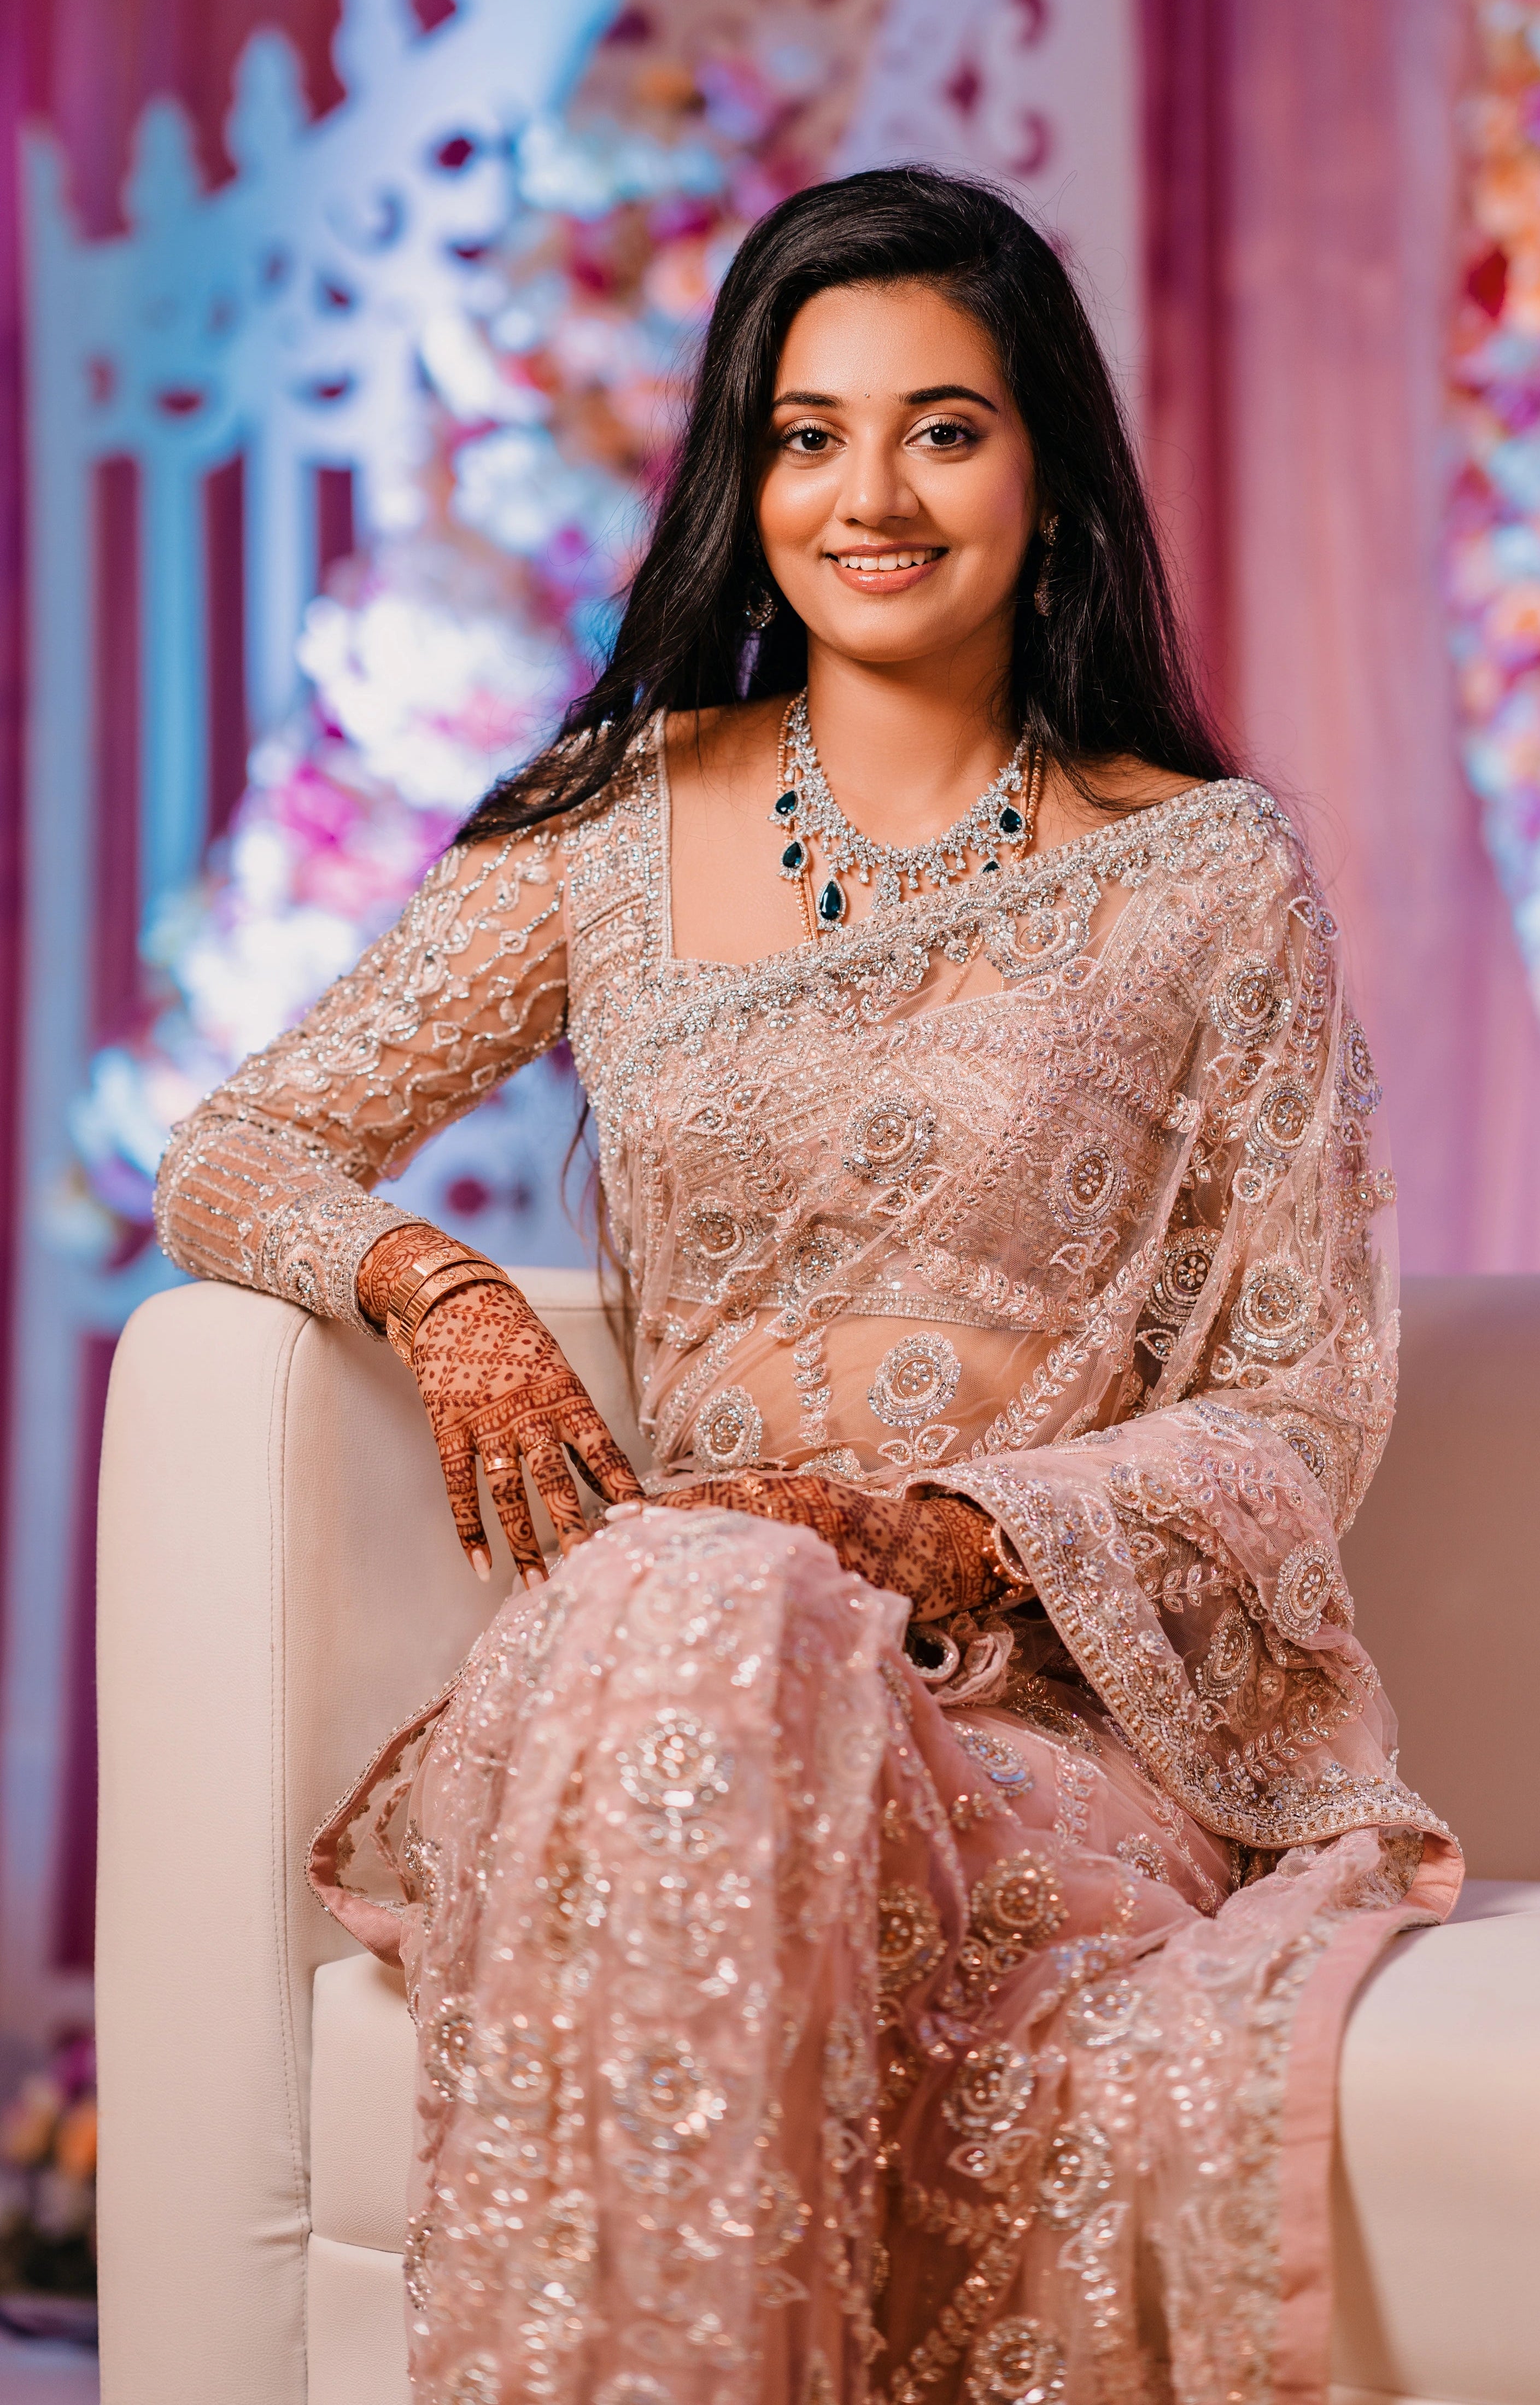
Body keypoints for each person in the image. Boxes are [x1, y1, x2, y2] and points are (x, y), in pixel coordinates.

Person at [156, 165, 1459, 2405]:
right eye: (806, 433)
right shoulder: (607, 827)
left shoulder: (1204, 877)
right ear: (743, 484)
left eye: (944, 429)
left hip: (1022, 1712)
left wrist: (946, 1532)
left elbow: (1299, 1398)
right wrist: (443, 1293)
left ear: (1048, 472)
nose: (872, 496)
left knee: (728, 1619)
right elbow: (236, 1146)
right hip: (668, 1661)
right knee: (707, 1613)